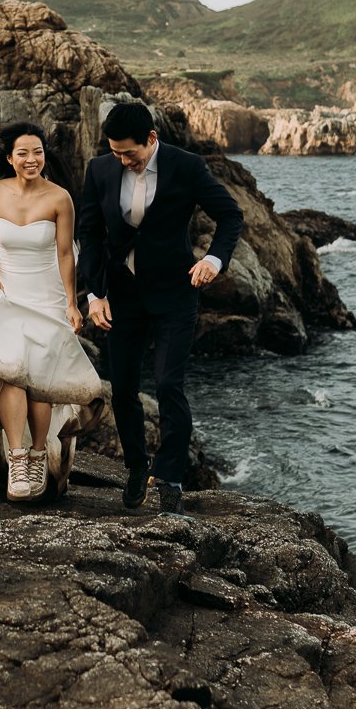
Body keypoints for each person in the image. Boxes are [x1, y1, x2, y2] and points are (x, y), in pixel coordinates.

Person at [77, 102, 242, 514]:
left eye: (128, 153)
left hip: (174, 292)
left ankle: (169, 476)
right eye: (114, 152)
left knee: (169, 385)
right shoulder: (99, 170)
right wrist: (94, 295)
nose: (121, 160)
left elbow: (230, 216)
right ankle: (136, 467)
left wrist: (213, 260)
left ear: (151, 139)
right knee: (124, 389)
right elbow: (90, 234)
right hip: (122, 296)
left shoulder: (187, 167)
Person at [0, 122, 102, 501]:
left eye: (37, 152)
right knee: (8, 374)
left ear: (44, 155)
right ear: (10, 159)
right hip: (8, 293)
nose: (31, 159)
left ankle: (38, 453)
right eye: (23, 153)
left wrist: (71, 302)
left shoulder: (59, 198)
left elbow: (66, 253)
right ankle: (18, 457)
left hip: (47, 296)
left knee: (40, 380)